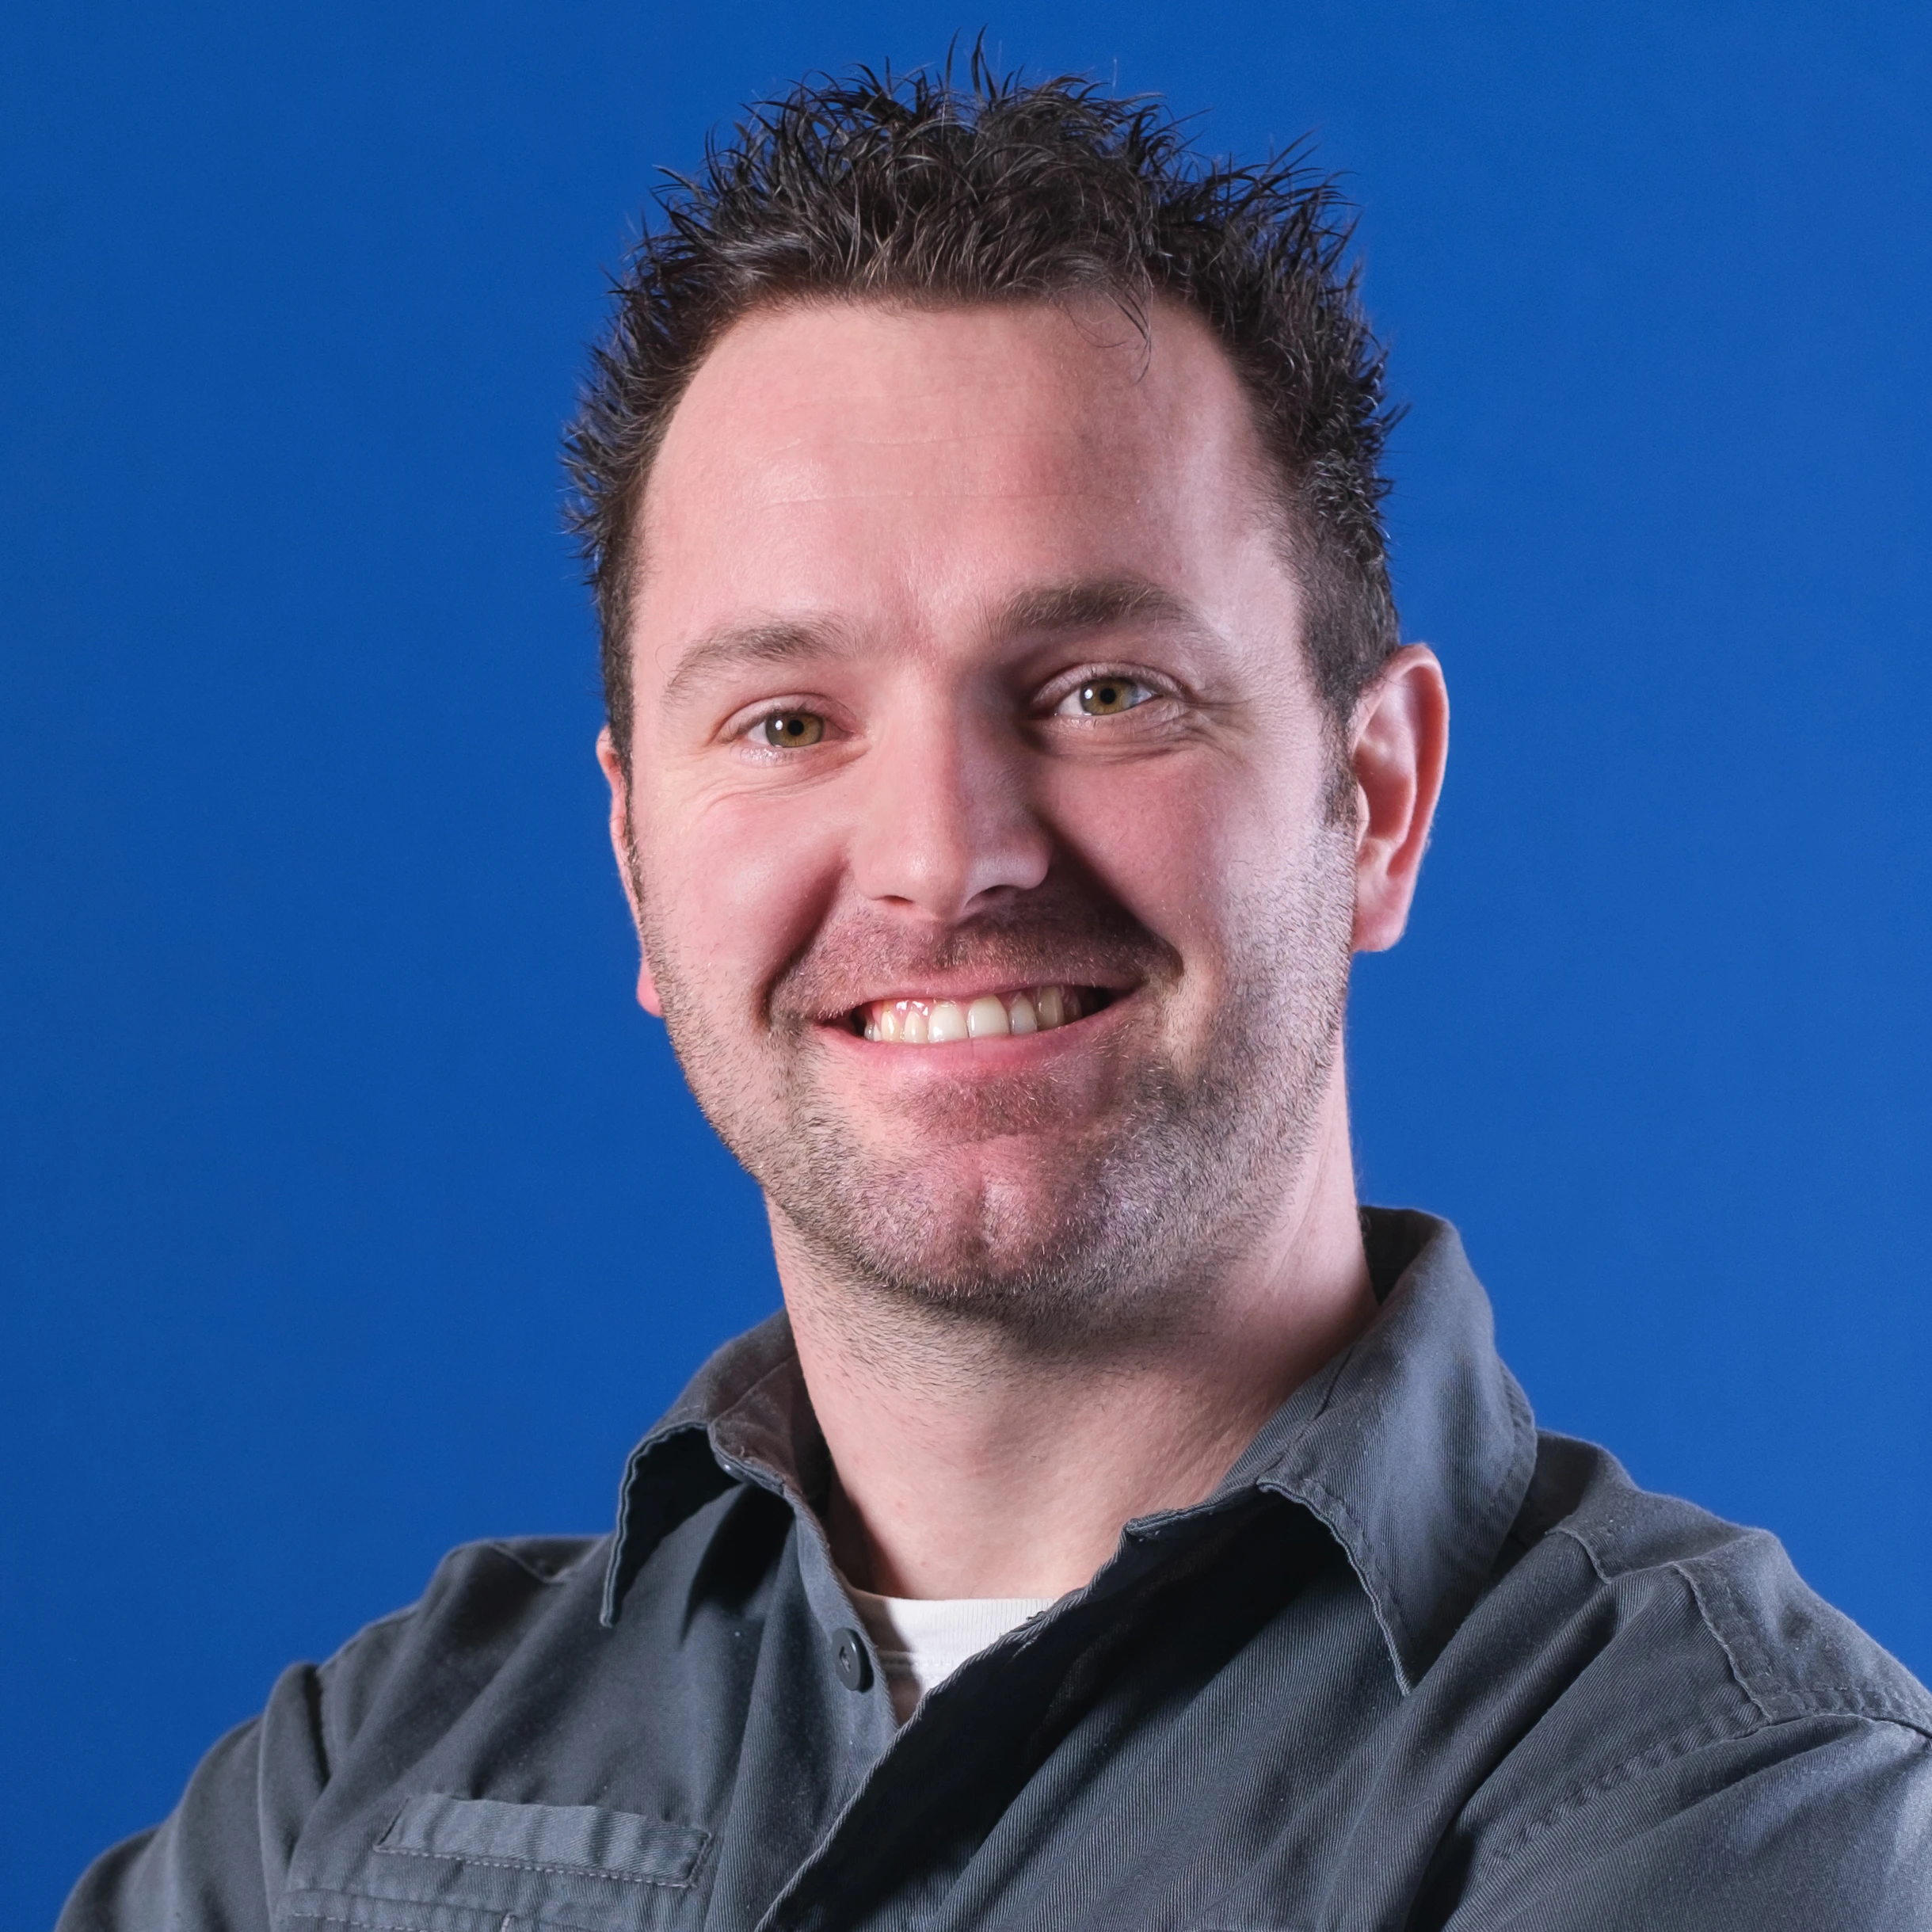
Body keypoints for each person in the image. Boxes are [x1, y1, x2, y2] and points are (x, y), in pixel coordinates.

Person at [62, 61, 1932, 1932]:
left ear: (1373, 798)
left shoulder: (1734, 1796)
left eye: (1105, 691)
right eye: (786, 721)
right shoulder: (361, 1770)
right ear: (635, 863)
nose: (945, 857)